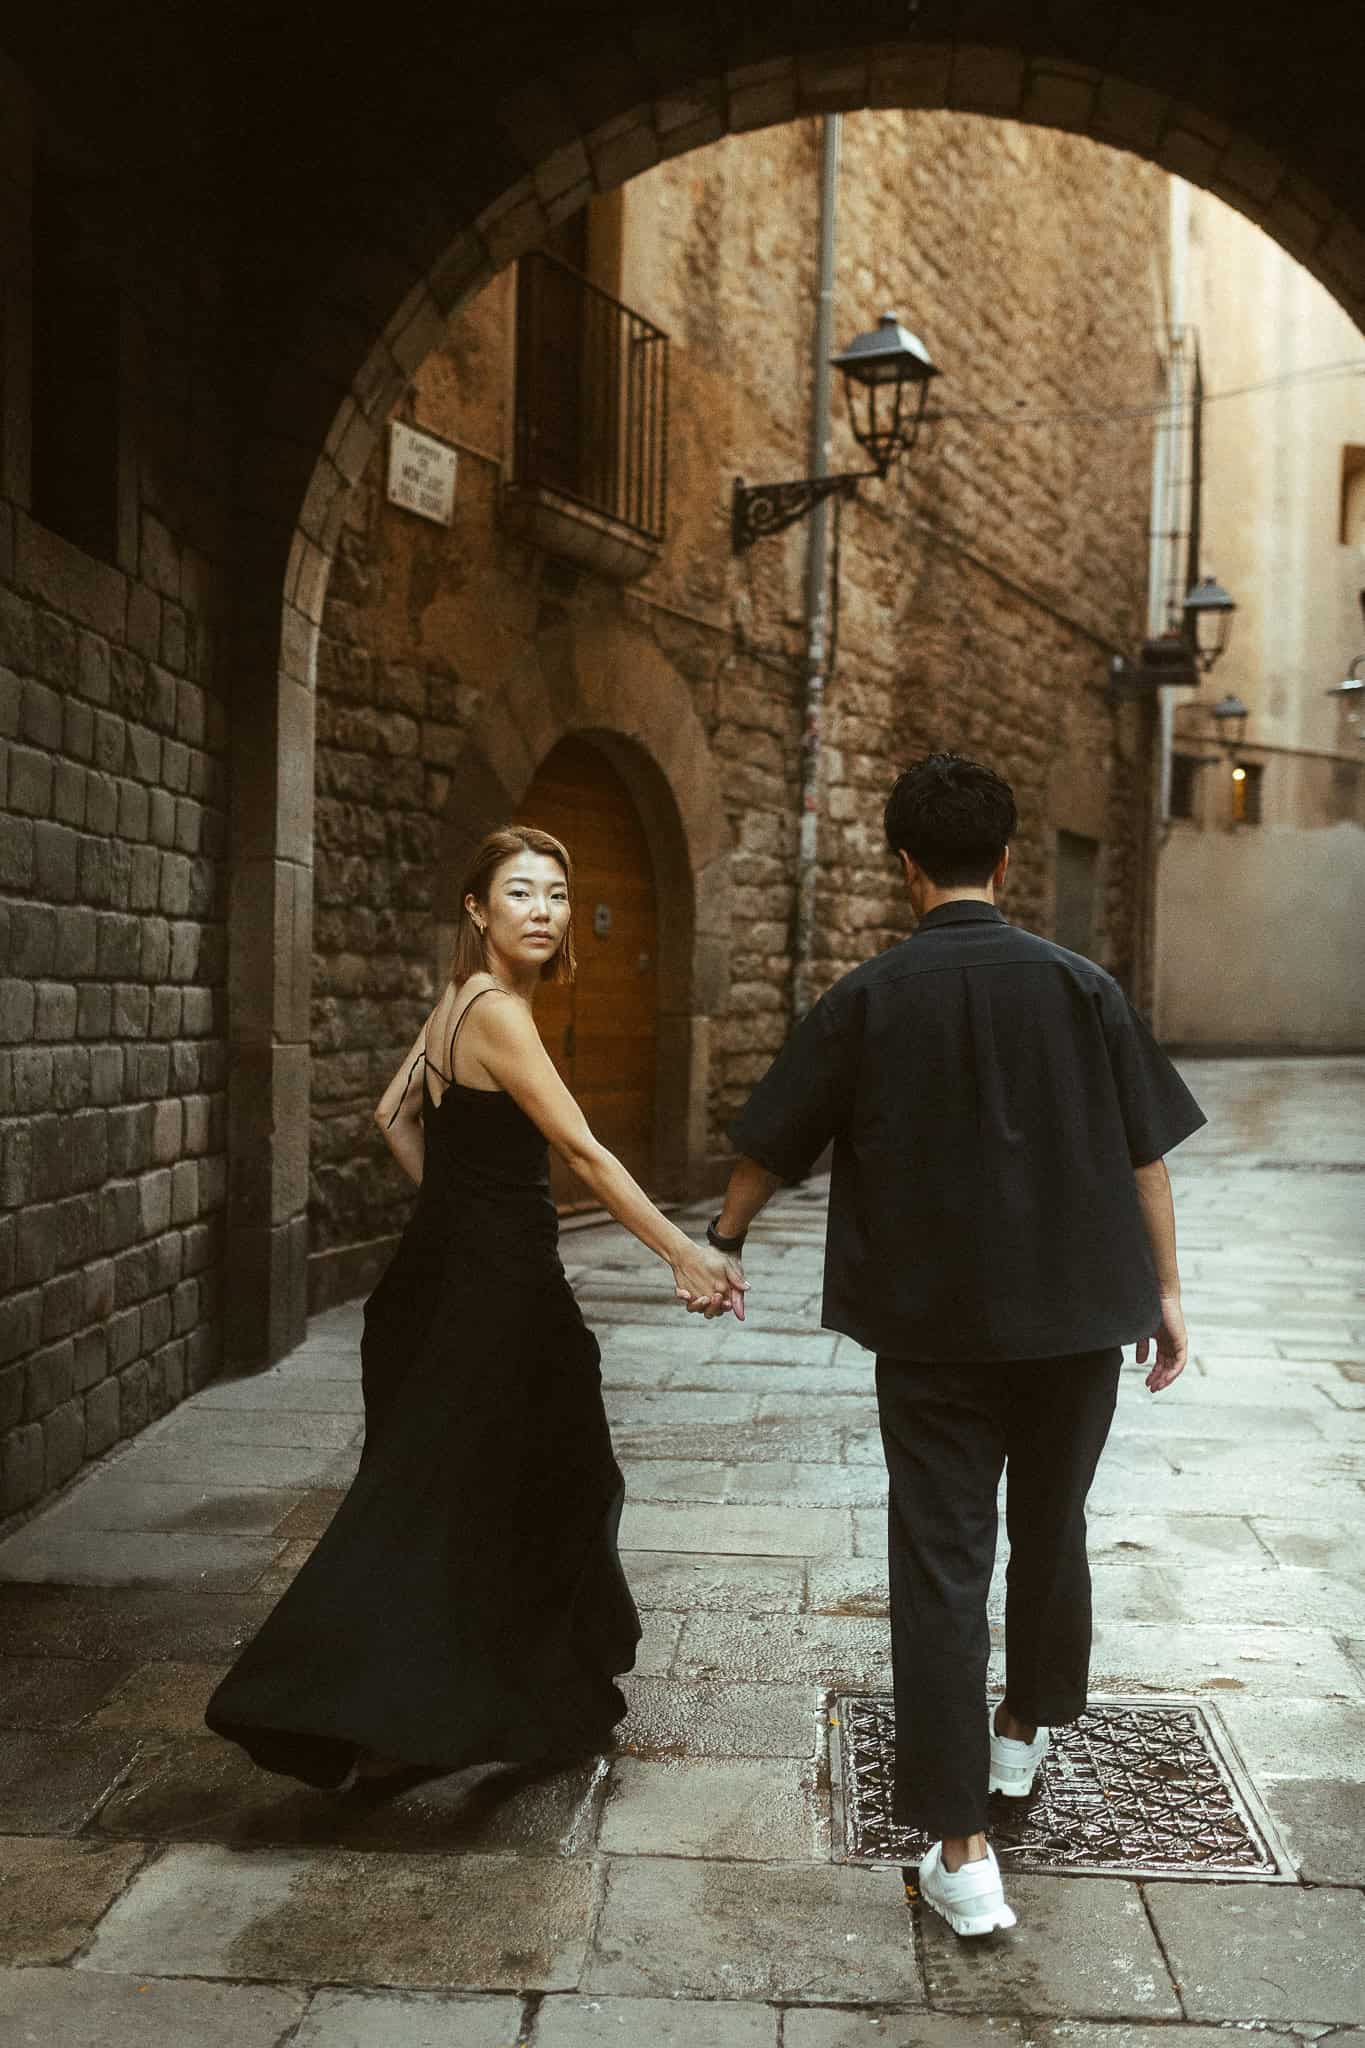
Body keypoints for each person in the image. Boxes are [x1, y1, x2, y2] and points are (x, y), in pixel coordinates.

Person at [706, 753, 1205, 1937]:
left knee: (941, 1559)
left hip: (931, 1332)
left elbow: (772, 1141)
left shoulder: (869, 995)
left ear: (904, 864)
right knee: (1053, 1524)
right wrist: (1169, 1292)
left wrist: (721, 1236)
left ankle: (962, 1850)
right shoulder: (1084, 987)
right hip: (1080, 1319)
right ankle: (1021, 1736)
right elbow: (1147, 1152)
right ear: (1008, 857)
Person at [206, 825, 741, 1790]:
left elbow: (390, 1117)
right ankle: (360, 1701)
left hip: (442, 1282)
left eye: (556, 895)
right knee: (544, 1489)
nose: (543, 912)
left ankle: (468, 1709)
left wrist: (456, 1217)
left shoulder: (456, 1003)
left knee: (471, 1501)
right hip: (503, 1298)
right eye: (521, 894)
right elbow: (582, 1153)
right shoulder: (497, 1014)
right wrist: (684, 1254)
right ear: (477, 910)